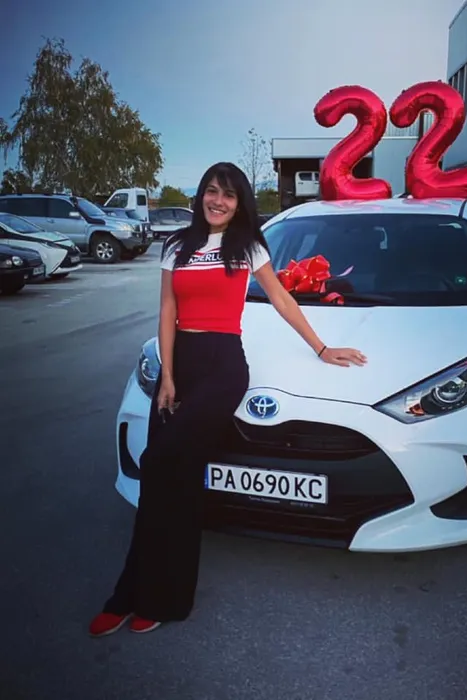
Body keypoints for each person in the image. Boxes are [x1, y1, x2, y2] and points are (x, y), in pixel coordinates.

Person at [88, 162, 367, 637]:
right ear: (201, 195)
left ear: (240, 204)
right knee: (168, 484)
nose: (218, 201)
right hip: (182, 364)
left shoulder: (247, 245)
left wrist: (322, 348)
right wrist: (168, 375)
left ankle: (165, 599)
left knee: (159, 464)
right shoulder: (177, 245)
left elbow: (281, 298)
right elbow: (168, 309)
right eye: (212, 191)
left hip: (223, 368)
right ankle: (129, 595)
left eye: (229, 195)